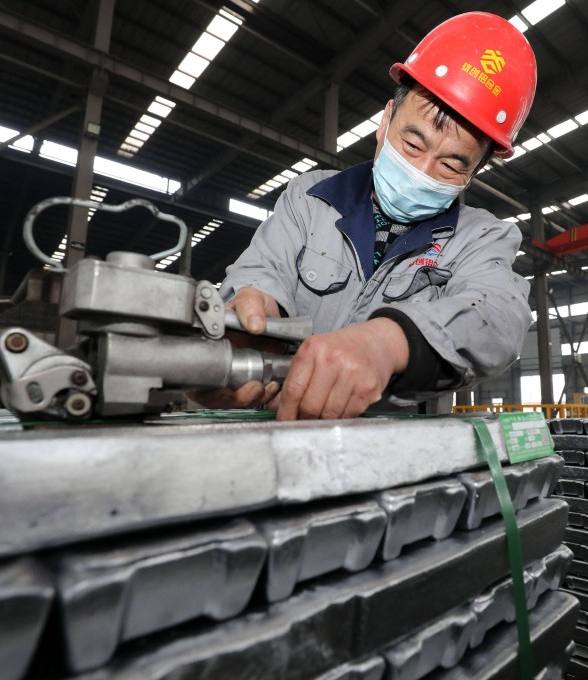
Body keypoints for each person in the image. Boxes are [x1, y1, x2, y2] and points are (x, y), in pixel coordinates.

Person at [197, 12, 537, 420]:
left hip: (398, 457)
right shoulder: (310, 197)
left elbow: (500, 316)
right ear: (384, 121)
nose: (423, 171)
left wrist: (389, 343)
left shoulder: (482, 238)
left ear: (472, 175)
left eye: (450, 165)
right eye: (412, 143)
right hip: (280, 428)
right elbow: (262, 270)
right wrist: (249, 313)